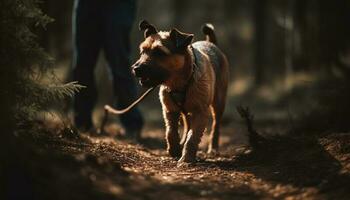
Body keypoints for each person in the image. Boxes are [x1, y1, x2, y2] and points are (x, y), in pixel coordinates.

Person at [72, 0, 143, 139]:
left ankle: (132, 125)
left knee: (120, 64)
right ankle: (82, 123)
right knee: (83, 65)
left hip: (119, 5)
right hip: (86, 5)